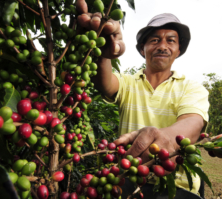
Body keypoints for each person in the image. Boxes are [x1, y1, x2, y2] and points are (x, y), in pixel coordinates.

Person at [76, 1, 209, 198]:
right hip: (130, 177)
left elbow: (193, 122)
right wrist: (104, 51)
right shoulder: (129, 83)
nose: (163, 46)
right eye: (154, 40)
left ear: (178, 51)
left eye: (171, 40)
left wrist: (165, 137)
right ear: (142, 49)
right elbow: (105, 83)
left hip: (178, 184)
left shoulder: (191, 87)